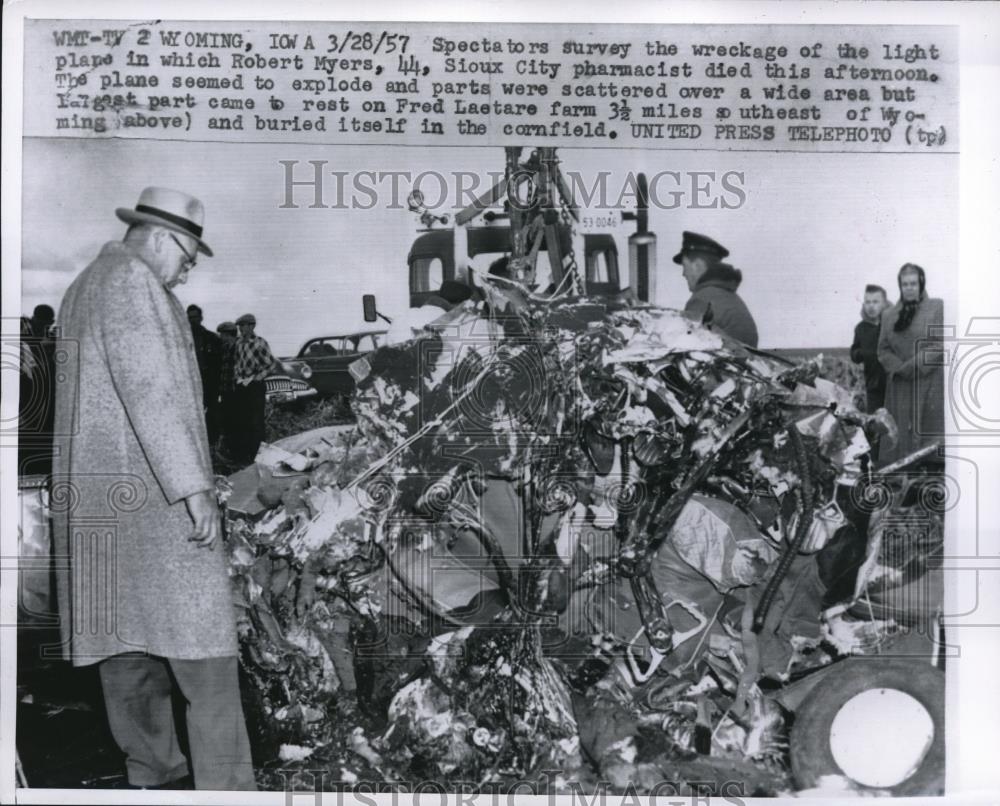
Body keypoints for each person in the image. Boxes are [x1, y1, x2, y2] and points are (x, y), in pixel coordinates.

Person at [51, 187, 256, 791]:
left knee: (125, 651)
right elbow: (151, 393)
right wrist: (193, 486)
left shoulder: (84, 285)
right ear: (166, 239)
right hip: (154, 503)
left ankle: (154, 777)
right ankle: (229, 792)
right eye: (189, 259)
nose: (186, 275)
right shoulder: (136, 283)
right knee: (208, 663)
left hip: (101, 506)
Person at [877, 263, 945, 465]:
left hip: (927, 381)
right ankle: (898, 476)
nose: (909, 288)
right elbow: (883, 349)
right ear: (900, 286)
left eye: (913, 283)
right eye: (905, 284)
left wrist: (913, 366)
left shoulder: (936, 307)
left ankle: (929, 474)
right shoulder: (888, 315)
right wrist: (899, 369)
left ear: (921, 284)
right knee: (898, 433)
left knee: (927, 431)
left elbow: (940, 344)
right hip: (900, 384)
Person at [675, 231, 759, 348]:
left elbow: (687, 348)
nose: (683, 274)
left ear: (698, 266)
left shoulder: (702, 299)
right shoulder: (726, 295)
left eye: (685, 266)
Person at [232, 312, 277, 464]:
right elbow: (237, 363)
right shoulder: (238, 343)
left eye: (244, 326)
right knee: (242, 421)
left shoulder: (259, 343)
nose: (241, 329)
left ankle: (260, 455)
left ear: (252, 326)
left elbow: (271, 364)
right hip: (242, 386)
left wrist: (258, 377)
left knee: (256, 421)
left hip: (256, 386)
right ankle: (245, 456)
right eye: (239, 326)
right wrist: (238, 377)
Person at [19, 304, 57, 476]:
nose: (45, 327)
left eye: (48, 324)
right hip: (28, 388)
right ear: (35, 319)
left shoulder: (47, 336)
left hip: (43, 391)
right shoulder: (23, 332)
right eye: (43, 323)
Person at [187, 304, 224, 446]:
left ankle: (212, 444)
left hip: (209, 382)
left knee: (212, 413)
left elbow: (219, 364)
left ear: (201, 318)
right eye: (189, 318)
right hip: (190, 383)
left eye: (195, 317)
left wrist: (217, 385)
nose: (192, 321)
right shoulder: (183, 339)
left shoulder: (212, 339)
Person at [850, 284, 890, 413]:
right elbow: (854, 351)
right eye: (867, 302)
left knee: (895, 420)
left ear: (884, 303)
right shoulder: (861, 328)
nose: (871, 306)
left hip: (893, 383)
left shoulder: (891, 324)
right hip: (873, 384)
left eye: (875, 302)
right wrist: (861, 354)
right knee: (875, 420)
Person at [215, 321, 239, 460]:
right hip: (225, 391)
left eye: (222, 334)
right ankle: (229, 450)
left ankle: (235, 452)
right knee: (227, 421)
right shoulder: (225, 348)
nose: (221, 337)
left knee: (235, 422)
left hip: (235, 391)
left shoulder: (238, 347)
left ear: (228, 334)